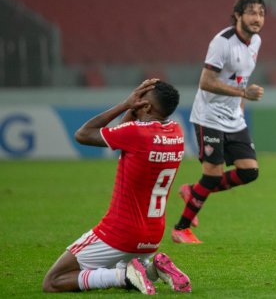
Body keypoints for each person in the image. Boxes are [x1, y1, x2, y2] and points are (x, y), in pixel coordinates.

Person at [42, 79, 191, 294]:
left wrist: (125, 104)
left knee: (53, 281)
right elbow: (127, 128)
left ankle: (124, 276)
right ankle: (153, 270)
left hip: (120, 232)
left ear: (146, 106)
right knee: (127, 266)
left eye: (140, 99)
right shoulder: (176, 132)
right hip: (152, 236)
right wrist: (135, 106)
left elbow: (82, 134)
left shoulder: (135, 134)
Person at [171, 0, 266, 244]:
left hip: (234, 118)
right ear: (238, 15)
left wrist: (241, 107)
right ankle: (181, 229)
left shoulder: (255, 42)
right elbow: (206, 82)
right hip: (209, 117)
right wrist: (243, 93)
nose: (257, 18)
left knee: (249, 171)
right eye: (252, 12)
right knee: (212, 174)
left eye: (261, 13)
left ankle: (193, 191)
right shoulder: (222, 43)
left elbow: (241, 78)